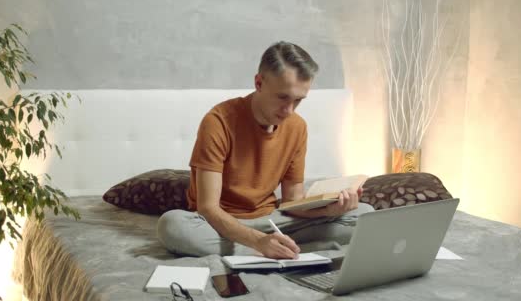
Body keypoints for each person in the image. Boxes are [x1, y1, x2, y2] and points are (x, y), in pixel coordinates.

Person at [157, 41, 373, 259]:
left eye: (298, 100)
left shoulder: (298, 127)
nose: (289, 110)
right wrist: (258, 240)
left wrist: (329, 211)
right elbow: (208, 208)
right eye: (282, 97)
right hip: (218, 224)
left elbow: (291, 202)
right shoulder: (218, 121)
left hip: (273, 220)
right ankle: (273, 249)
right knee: (172, 225)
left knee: (364, 214)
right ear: (259, 82)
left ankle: (275, 248)